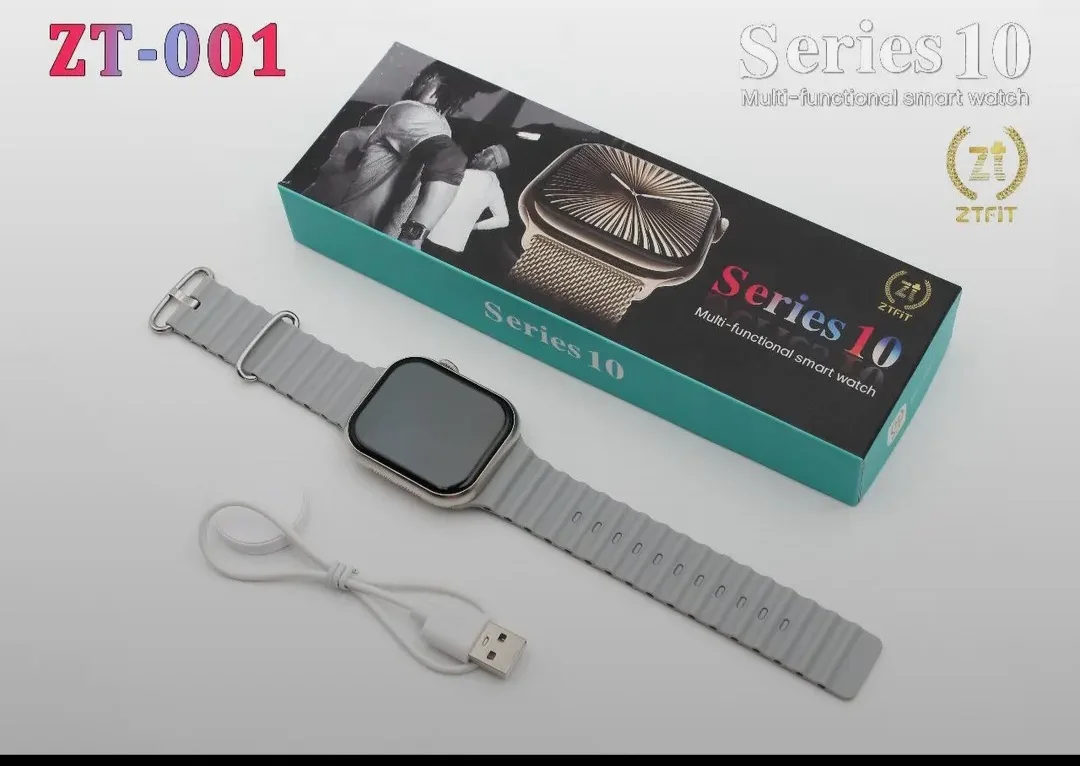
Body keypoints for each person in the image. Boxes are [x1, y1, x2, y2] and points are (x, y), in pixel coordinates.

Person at [332, 62, 494, 247]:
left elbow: (450, 160)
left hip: (358, 233)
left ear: (430, 78)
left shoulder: (410, 109)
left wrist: (412, 239)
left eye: (420, 77)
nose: (413, 83)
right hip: (370, 238)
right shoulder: (440, 127)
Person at [423, 144, 511, 265]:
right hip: (455, 247)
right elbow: (503, 220)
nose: (477, 154)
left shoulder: (464, 174)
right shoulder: (495, 188)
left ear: (494, 163)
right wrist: (475, 226)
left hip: (432, 236)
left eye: (485, 154)